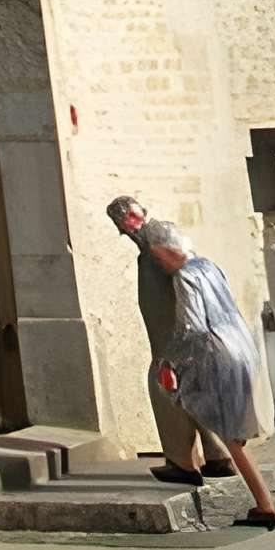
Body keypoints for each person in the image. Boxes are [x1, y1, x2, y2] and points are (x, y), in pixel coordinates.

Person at [139, 222, 275, 530]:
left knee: (231, 437)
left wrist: (170, 361)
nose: (160, 266)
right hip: (242, 345)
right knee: (232, 433)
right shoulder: (210, 267)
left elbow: (191, 326)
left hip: (217, 353)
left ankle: (265, 506)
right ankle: (263, 504)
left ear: (165, 250)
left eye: (159, 259)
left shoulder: (185, 276)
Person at [108, 193, 224, 485]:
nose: (126, 227)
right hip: (175, 339)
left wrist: (189, 330)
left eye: (128, 218)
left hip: (176, 340)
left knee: (167, 392)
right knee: (189, 394)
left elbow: (187, 279)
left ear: (141, 213)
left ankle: (182, 462)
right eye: (121, 222)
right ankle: (218, 455)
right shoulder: (151, 245)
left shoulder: (159, 237)